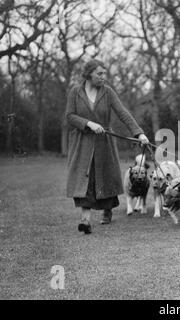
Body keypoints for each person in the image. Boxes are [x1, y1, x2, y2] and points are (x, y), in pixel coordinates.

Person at [65, 59, 149, 234]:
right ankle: (85, 220)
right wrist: (88, 123)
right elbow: (70, 116)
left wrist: (139, 133)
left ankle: (107, 209)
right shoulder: (75, 92)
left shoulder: (108, 92)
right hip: (83, 143)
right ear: (89, 74)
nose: (103, 77)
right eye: (99, 73)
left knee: (105, 177)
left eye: (105, 73)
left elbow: (123, 113)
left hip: (104, 143)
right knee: (85, 180)